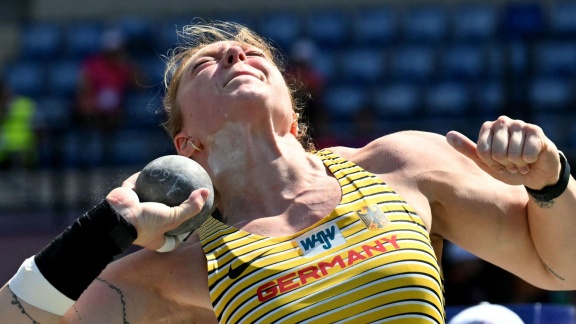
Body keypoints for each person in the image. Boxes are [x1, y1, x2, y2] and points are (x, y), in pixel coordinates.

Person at [1, 21, 576, 323]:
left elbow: (558, 267)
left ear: (292, 108)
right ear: (187, 144)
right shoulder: (179, 269)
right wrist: (107, 228)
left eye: (253, 54)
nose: (234, 55)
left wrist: (549, 182)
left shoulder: (403, 164)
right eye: (206, 63)